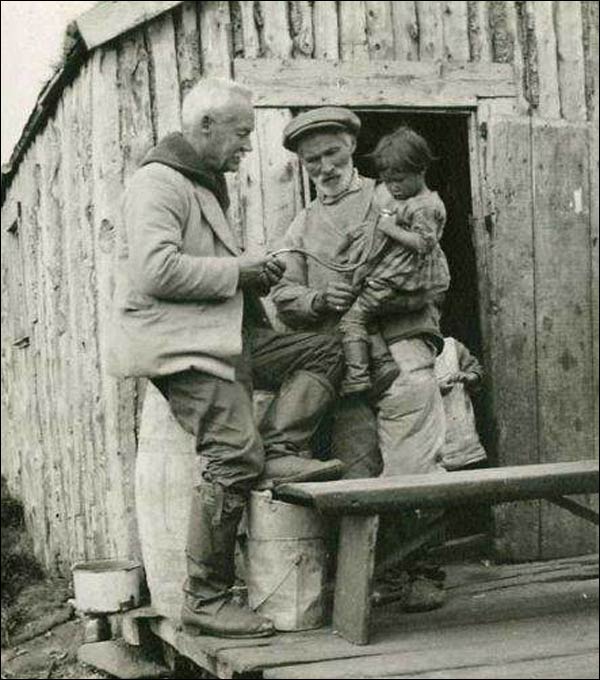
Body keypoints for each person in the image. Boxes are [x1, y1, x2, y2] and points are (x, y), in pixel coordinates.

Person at [108, 79, 346, 639]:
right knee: (234, 456)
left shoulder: (202, 182)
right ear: (206, 127)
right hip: (180, 344)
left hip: (224, 333)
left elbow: (204, 266)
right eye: (241, 133)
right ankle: (206, 600)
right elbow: (154, 271)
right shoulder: (156, 183)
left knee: (326, 346)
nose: (246, 145)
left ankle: (281, 447)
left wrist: (257, 270)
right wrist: (241, 271)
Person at [272, 107, 447, 610]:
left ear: (352, 148)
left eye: (332, 153)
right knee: (358, 468)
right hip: (343, 360)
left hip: (402, 342)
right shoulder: (301, 226)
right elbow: (284, 291)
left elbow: (433, 270)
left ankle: (425, 571)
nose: (324, 167)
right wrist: (317, 301)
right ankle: (384, 574)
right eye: (313, 161)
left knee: (412, 460)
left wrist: (375, 297)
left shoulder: (391, 195)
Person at [337, 126, 451, 396]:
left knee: (351, 319)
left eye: (398, 179)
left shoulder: (425, 206)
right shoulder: (405, 199)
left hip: (399, 277)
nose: (393, 187)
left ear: (421, 170)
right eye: (387, 181)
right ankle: (383, 362)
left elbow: (425, 243)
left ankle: (357, 375)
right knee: (368, 315)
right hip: (393, 275)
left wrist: (391, 229)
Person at [435, 337, 488, 471]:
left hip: (464, 439)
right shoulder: (411, 351)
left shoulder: (452, 346)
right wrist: (434, 390)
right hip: (434, 446)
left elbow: (476, 370)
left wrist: (469, 377)